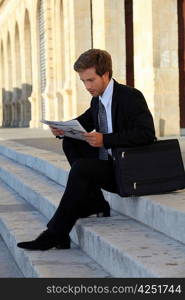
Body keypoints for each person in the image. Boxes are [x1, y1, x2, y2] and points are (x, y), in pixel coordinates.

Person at [17, 49, 156, 250]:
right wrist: (62, 129)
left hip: (131, 170)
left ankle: (56, 233)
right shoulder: (97, 100)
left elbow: (146, 134)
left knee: (82, 168)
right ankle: (95, 203)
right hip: (112, 166)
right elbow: (81, 123)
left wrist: (105, 140)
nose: (87, 86)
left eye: (90, 80)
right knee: (71, 142)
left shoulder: (130, 96)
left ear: (106, 74)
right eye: (83, 81)